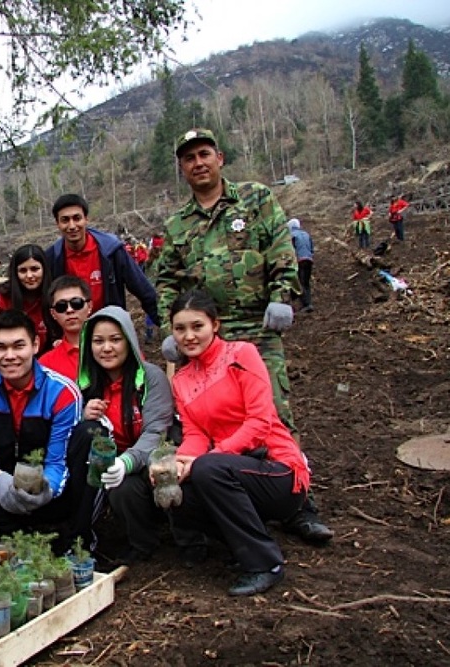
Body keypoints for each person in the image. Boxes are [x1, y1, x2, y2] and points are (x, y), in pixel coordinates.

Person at [155, 128, 331, 544]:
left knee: (274, 413)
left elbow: (280, 247)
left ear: (220, 157)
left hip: (257, 324)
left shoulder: (255, 199)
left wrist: (283, 295)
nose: (198, 163)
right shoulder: (178, 224)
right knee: (205, 416)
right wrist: (171, 330)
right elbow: (165, 280)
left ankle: (297, 502)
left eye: (204, 154)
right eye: (188, 159)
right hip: (204, 334)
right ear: (182, 168)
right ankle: (234, 494)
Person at [167, 291, 310, 596]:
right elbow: (195, 434)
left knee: (207, 469)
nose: (189, 336)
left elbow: (260, 422)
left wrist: (209, 458)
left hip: (277, 468)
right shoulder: (181, 379)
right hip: (234, 471)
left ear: (215, 325)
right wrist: (178, 464)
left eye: (197, 326)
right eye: (180, 329)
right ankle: (237, 545)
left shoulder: (241, 354)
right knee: (178, 492)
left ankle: (264, 564)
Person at [0, 309, 89, 554]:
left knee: (86, 443)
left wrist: (46, 490)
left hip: (44, 493)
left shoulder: (62, 391)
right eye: (0, 347)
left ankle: (59, 539)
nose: (10, 356)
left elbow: (58, 460)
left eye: (18, 346)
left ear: (35, 345)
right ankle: (10, 542)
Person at [77, 306, 204, 566]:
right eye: (98, 341)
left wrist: (127, 462)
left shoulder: (150, 377)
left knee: (169, 477)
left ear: (129, 341)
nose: (107, 348)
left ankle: (192, 541)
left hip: (158, 456)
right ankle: (141, 543)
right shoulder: (86, 386)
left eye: (115, 339)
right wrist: (82, 415)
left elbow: (157, 431)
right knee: (122, 490)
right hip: (122, 467)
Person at [44, 193, 159, 326]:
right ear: (57, 224)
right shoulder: (52, 258)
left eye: (77, 218)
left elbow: (144, 291)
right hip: (71, 335)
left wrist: (167, 327)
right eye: (65, 220)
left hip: (109, 332)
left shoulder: (111, 251)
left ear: (86, 219)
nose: (72, 226)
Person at [0, 244, 55, 348]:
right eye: (23, 270)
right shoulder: (3, 297)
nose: (29, 276)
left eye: (34, 269)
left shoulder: (55, 295)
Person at [38, 275, 92, 382]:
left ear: (89, 306)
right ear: (53, 314)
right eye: (61, 306)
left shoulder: (108, 350)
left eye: (76, 303)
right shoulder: (46, 364)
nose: (69, 310)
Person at [287, 219, 314, 313]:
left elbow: (290, 249)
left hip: (299, 260)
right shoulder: (306, 234)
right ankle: (307, 303)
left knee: (298, 282)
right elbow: (311, 247)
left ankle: (305, 304)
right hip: (309, 259)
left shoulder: (291, 236)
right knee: (305, 282)